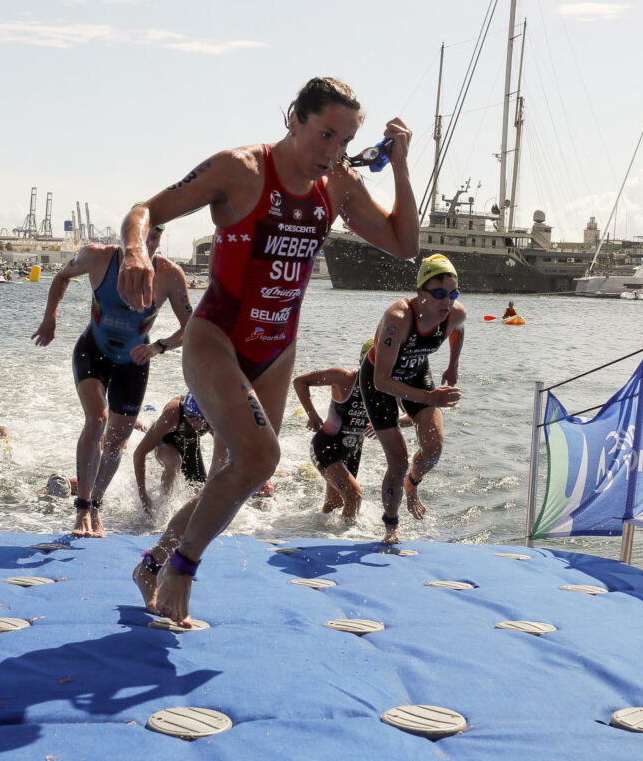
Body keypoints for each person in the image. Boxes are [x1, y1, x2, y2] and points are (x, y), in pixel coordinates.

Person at [118, 76, 420, 625]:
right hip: (216, 338)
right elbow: (146, 210)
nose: (332, 153)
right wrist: (136, 250)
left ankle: (153, 562)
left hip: (277, 347)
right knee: (261, 457)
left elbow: (404, 246)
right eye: (324, 135)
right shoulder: (241, 169)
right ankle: (182, 568)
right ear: (294, 120)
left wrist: (399, 164)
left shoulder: (340, 185)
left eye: (344, 142)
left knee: (237, 475)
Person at [31, 217, 192, 539]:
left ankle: (95, 506)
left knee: (117, 442)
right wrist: (50, 317)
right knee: (96, 420)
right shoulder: (96, 256)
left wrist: (158, 347)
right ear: (127, 239)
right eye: (144, 239)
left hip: (134, 362)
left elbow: (191, 326)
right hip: (93, 351)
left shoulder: (170, 275)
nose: (149, 246)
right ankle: (81, 508)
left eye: (156, 239)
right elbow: (62, 276)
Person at [362, 254, 466, 544]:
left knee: (434, 448)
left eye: (453, 294)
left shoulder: (455, 313)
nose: (446, 302)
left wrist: (452, 364)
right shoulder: (398, 318)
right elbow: (381, 380)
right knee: (398, 460)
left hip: (417, 373)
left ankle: (412, 484)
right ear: (420, 292)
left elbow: (458, 329)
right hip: (379, 383)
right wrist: (429, 397)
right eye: (439, 294)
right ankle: (391, 524)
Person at [293, 339, 375, 521]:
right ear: (362, 360)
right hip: (326, 447)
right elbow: (300, 382)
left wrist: (387, 425)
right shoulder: (344, 377)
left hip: (352, 451)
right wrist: (312, 415)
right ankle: (348, 538)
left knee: (333, 506)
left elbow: (409, 416)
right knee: (354, 495)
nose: (376, 366)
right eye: (372, 359)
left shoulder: (388, 389)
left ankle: (317, 535)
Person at [132, 393, 212, 517]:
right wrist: (143, 494)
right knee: (174, 464)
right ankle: (163, 505)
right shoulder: (171, 415)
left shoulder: (214, 417)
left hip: (190, 441)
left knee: (200, 493)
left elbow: (227, 453)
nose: (198, 423)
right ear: (185, 412)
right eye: (192, 417)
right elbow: (139, 453)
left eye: (202, 418)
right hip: (167, 438)